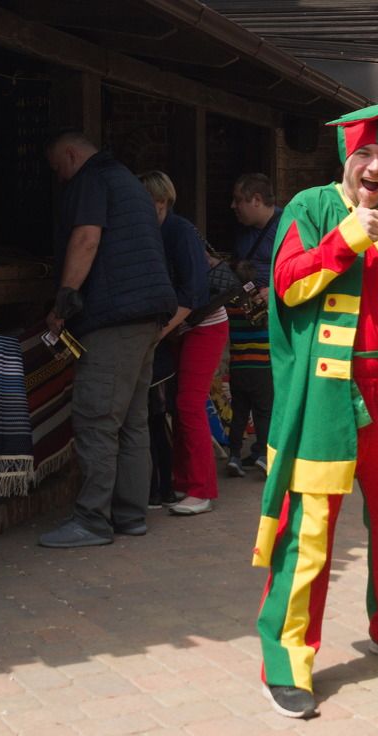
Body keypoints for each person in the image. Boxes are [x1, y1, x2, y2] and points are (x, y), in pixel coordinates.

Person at [251, 90, 378, 719]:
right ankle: (287, 657)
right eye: (366, 155)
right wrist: (350, 237)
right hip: (328, 397)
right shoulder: (310, 207)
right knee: (309, 532)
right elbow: (289, 285)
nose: (376, 167)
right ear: (347, 158)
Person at [39, 131, 177, 548]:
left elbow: (86, 239)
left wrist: (63, 302)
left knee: (97, 418)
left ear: (70, 155)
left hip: (114, 318)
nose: (59, 178)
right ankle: (130, 515)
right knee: (133, 420)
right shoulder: (127, 182)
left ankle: (92, 520)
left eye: (57, 169)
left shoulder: (91, 179)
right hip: (148, 315)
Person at [140, 171, 228, 516]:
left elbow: (192, 295)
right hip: (183, 328)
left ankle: (201, 490)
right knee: (179, 405)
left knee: (189, 404)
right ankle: (183, 481)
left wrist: (158, 333)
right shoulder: (159, 231)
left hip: (203, 326)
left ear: (160, 201)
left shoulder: (178, 231)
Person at [225, 173, 280, 477]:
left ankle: (265, 451)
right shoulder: (242, 233)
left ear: (256, 200)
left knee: (265, 399)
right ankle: (258, 452)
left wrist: (276, 290)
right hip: (247, 319)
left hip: (273, 326)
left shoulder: (288, 226)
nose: (233, 207)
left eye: (239, 200)